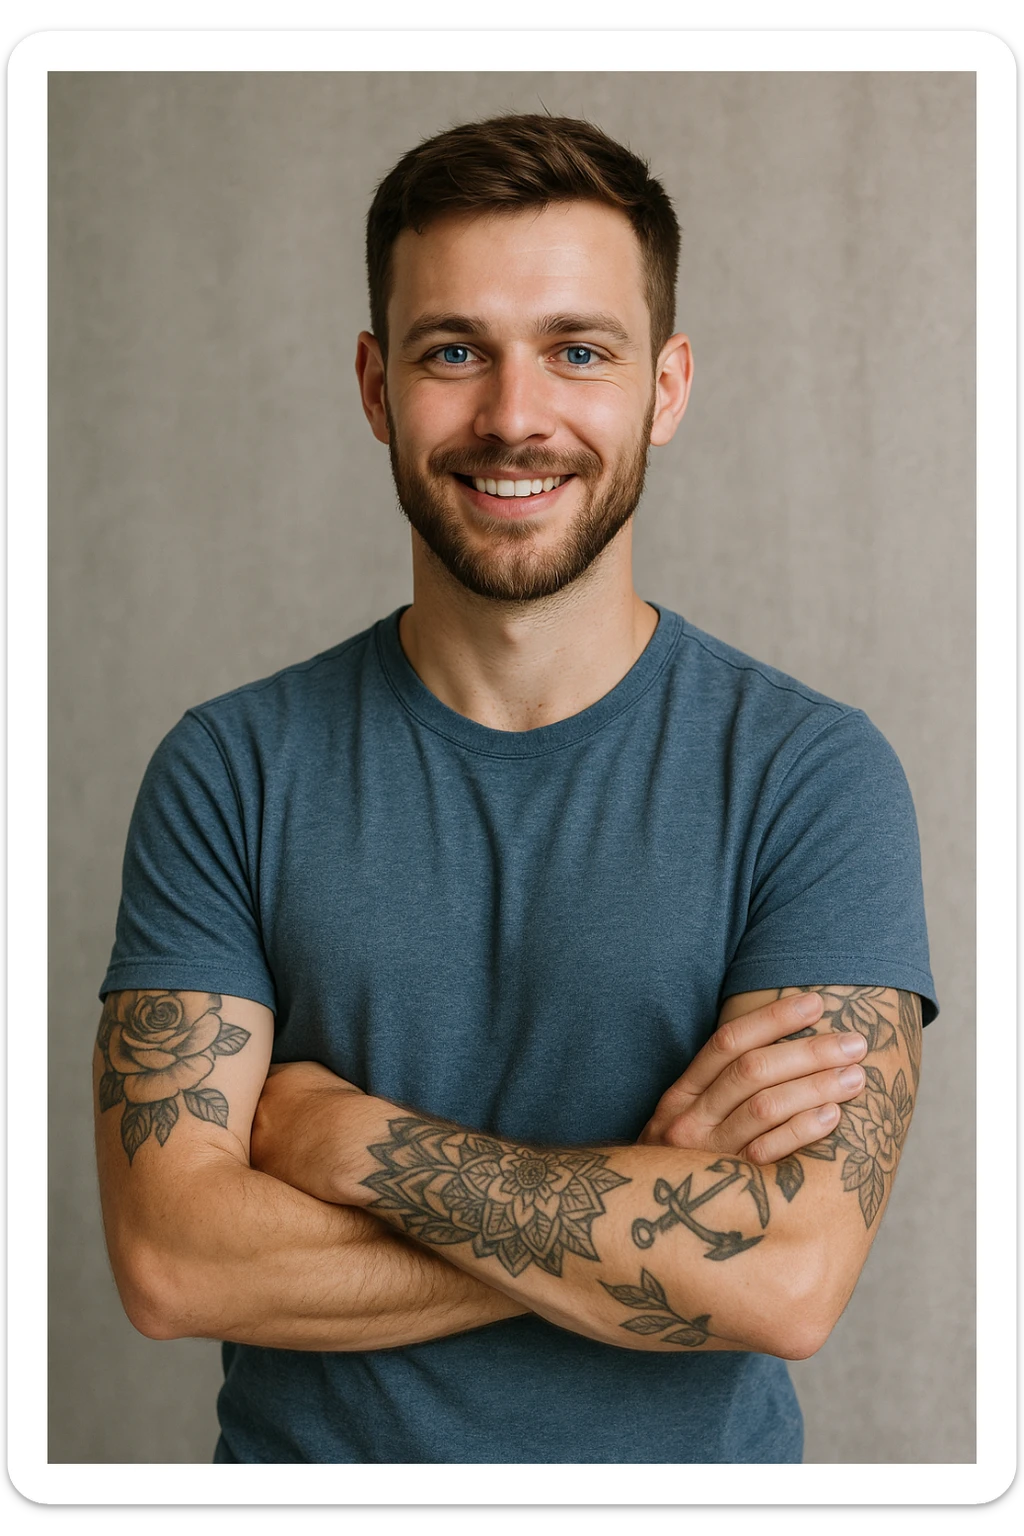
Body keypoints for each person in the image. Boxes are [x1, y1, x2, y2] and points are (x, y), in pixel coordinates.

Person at [93, 113, 937, 1465]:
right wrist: (651, 1230)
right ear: (375, 387)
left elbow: (788, 1282)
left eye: (577, 350)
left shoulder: (810, 777)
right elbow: (176, 1263)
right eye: (452, 352)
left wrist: (346, 1138)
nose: (513, 416)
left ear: (664, 387)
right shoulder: (231, 768)